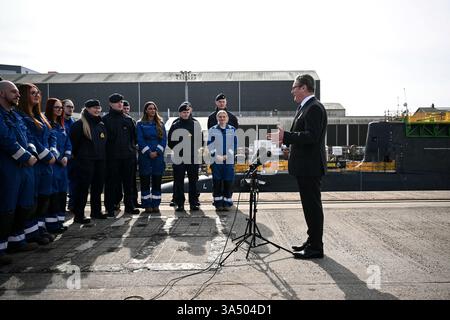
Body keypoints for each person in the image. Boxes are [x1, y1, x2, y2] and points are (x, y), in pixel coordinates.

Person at [270, 74, 327, 259]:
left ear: (304, 87)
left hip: (310, 167)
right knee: (308, 206)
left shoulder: (314, 108)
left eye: (294, 86)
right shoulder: (305, 107)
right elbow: (302, 136)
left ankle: (316, 247)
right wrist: (285, 142)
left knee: (312, 207)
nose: (292, 90)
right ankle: (311, 241)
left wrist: (285, 136)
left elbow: (311, 136)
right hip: (304, 166)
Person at [0, 80, 39, 265]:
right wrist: (25, 157)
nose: (18, 95)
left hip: (24, 168)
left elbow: (28, 137)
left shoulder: (15, 115)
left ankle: (17, 240)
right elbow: (6, 139)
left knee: (23, 204)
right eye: (14, 92)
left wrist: (31, 152)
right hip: (7, 167)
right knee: (6, 207)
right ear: (2, 93)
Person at [17, 83, 57, 245]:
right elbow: (30, 139)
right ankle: (32, 233)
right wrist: (46, 154)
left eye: (38, 92)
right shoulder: (22, 116)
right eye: (32, 93)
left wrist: (53, 152)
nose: (36, 95)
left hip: (47, 165)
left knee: (44, 198)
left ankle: (40, 229)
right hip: (36, 164)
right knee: (32, 200)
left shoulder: (40, 116)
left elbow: (51, 136)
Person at [70, 99, 107, 223]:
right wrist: (80, 158)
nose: (97, 110)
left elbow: (104, 143)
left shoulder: (101, 124)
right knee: (83, 188)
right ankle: (79, 214)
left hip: (99, 161)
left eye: (98, 108)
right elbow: (73, 145)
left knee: (97, 188)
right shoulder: (79, 124)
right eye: (94, 108)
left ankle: (96, 212)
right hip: (85, 162)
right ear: (87, 109)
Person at [102, 93, 139, 217]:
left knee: (129, 184)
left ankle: (129, 206)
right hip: (112, 158)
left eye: (121, 102)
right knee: (111, 184)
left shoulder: (128, 120)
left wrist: (132, 151)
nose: (120, 104)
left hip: (128, 157)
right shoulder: (105, 120)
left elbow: (134, 139)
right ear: (110, 104)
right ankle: (110, 207)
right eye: (117, 102)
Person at [168, 101, 203, 212]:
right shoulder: (175, 125)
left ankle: (193, 203)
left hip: (192, 157)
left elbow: (200, 141)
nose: (186, 114)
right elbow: (170, 142)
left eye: (187, 111)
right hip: (179, 157)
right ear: (180, 113)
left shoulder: (195, 124)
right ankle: (180, 203)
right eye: (183, 112)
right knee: (179, 181)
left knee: (193, 180)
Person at [44, 98, 71, 233]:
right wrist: (59, 158)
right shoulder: (46, 124)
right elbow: (47, 145)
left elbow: (68, 144)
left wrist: (66, 156)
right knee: (53, 196)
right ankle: (51, 225)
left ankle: (60, 222)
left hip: (63, 167)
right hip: (52, 165)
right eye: (57, 108)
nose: (60, 110)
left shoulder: (62, 126)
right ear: (50, 108)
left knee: (61, 194)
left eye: (61, 108)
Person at [136, 101, 166, 213]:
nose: (152, 110)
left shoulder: (161, 123)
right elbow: (139, 139)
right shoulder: (140, 124)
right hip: (145, 157)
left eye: (154, 108)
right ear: (146, 110)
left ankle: (156, 204)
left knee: (157, 181)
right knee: (145, 181)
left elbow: (163, 140)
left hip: (158, 157)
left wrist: (157, 152)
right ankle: (146, 204)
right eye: (150, 108)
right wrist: (149, 152)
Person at [207, 110, 237, 211]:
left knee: (228, 181)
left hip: (228, 161)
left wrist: (227, 156)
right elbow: (210, 144)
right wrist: (216, 155)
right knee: (217, 181)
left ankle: (227, 202)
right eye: (220, 117)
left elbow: (234, 144)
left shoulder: (232, 130)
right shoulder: (212, 130)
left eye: (224, 117)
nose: (222, 119)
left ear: (227, 118)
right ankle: (218, 203)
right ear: (217, 118)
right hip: (216, 161)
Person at [62, 99, 76, 212]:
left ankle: (72, 205)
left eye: (72, 107)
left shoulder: (74, 122)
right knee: (62, 182)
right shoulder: (58, 122)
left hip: (73, 158)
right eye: (68, 106)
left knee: (74, 182)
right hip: (62, 159)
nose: (70, 109)